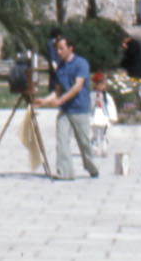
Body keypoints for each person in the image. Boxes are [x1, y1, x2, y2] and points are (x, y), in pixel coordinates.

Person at [34, 35, 101, 179]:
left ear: (71, 48)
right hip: (65, 110)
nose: (58, 52)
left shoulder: (81, 64)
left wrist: (61, 100)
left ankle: (91, 167)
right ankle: (65, 173)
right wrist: (44, 101)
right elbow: (58, 91)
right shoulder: (60, 68)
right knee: (62, 140)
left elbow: (77, 87)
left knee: (83, 142)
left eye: (61, 48)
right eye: (57, 49)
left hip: (80, 109)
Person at [89, 72, 118, 158]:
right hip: (94, 115)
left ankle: (104, 147)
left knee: (103, 133)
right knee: (94, 132)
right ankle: (94, 146)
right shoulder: (91, 95)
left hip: (103, 115)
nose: (101, 86)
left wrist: (112, 117)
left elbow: (111, 105)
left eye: (102, 84)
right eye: (98, 84)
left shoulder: (106, 96)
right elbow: (88, 105)